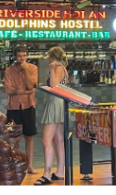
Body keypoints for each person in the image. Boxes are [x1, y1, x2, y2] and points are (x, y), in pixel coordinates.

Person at [3, 45, 38, 172]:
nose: (22, 58)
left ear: (27, 56)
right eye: (19, 56)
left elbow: (31, 85)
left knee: (29, 137)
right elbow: (8, 90)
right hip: (13, 107)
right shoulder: (9, 71)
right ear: (15, 56)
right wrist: (26, 91)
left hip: (28, 105)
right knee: (12, 137)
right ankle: (14, 164)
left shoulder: (33, 68)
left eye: (24, 55)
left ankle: (29, 165)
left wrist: (26, 71)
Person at [37, 47, 69, 184]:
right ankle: (60, 171)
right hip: (60, 103)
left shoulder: (57, 67)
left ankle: (47, 174)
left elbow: (54, 85)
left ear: (51, 57)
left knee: (46, 140)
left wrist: (50, 68)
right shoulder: (63, 67)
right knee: (58, 139)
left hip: (55, 103)